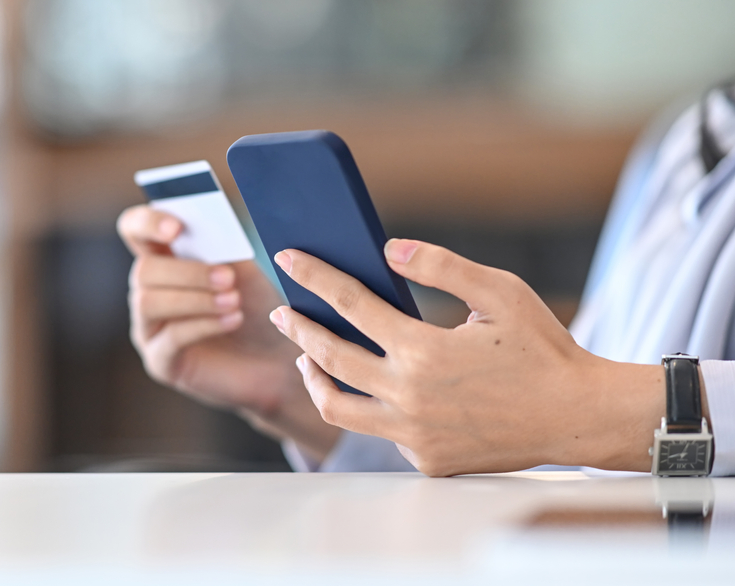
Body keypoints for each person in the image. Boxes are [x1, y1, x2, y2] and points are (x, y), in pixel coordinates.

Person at [117, 83, 735, 476]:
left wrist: (588, 407)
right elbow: (574, 464)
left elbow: (583, 424)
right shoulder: (687, 142)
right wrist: (300, 377)